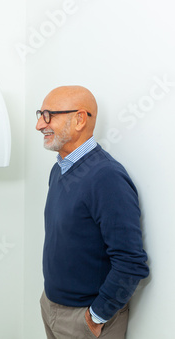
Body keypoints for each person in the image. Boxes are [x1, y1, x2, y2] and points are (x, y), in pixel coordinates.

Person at [35, 86, 149, 338]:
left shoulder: (106, 177)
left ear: (79, 119)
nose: (39, 125)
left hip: (85, 320)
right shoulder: (59, 170)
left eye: (48, 115)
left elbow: (131, 262)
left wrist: (95, 317)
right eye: (39, 114)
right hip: (51, 307)